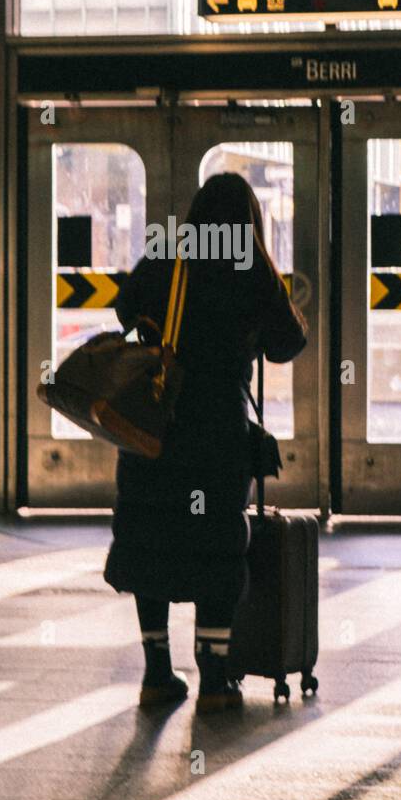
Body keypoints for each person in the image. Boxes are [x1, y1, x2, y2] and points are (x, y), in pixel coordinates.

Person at [103, 172, 307, 712]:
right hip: (216, 434)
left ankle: (156, 674)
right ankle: (215, 680)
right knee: (216, 548)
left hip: (154, 426)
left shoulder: (166, 256)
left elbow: (124, 310)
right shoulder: (249, 267)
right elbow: (290, 343)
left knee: (150, 541)